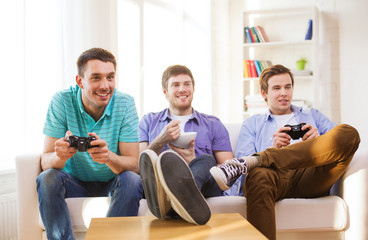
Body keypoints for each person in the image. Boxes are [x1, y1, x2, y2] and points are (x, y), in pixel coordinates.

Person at [210, 64, 360, 240]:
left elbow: (340, 144)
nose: (284, 93)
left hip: (311, 174)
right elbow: (243, 176)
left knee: (350, 134)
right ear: (264, 93)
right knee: (256, 174)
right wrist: (273, 148)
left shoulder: (313, 115)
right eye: (277, 88)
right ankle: (262, 158)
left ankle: (260, 159)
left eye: (288, 87)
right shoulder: (253, 124)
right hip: (274, 178)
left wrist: (318, 141)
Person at [37, 48, 143, 240]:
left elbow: (133, 164)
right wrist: (59, 156)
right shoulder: (61, 101)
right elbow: (46, 161)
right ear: (80, 81)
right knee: (47, 178)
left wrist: (109, 157)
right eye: (96, 78)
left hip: (112, 183)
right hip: (74, 182)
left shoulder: (124, 103)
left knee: (132, 180)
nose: (105, 86)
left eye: (110, 77)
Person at [138, 65, 234, 225]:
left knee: (206, 160)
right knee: (165, 164)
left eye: (187, 84)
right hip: (161, 184)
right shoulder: (149, 121)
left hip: (205, 184)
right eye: (175, 85)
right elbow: (141, 164)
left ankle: (174, 200)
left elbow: (229, 169)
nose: (182, 89)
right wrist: (161, 140)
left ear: (193, 88)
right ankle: (180, 200)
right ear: (165, 92)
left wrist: (193, 160)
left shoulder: (212, 124)